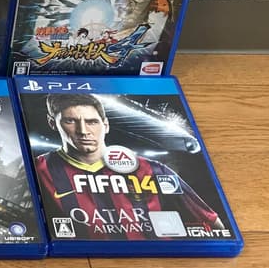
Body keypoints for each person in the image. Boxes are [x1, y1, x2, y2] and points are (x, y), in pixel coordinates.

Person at [34, 94, 224, 240]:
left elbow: (215, 225)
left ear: (106, 125)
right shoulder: (38, 170)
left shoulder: (153, 170)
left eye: (92, 122)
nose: (83, 131)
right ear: (53, 123)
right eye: (70, 121)